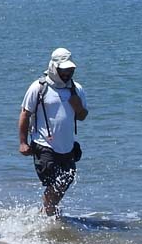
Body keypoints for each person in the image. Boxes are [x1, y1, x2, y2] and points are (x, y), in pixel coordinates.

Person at [18, 47, 89, 216]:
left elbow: (82, 116)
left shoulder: (76, 89)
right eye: (63, 70)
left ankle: (45, 211)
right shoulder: (39, 87)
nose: (67, 74)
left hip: (68, 147)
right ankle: (49, 213)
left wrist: (78, 107)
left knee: (66, 180)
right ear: (53, 67)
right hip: (44, 144)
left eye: (70, 70)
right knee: (53, 182)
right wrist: (22, 143)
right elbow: (25, 114)